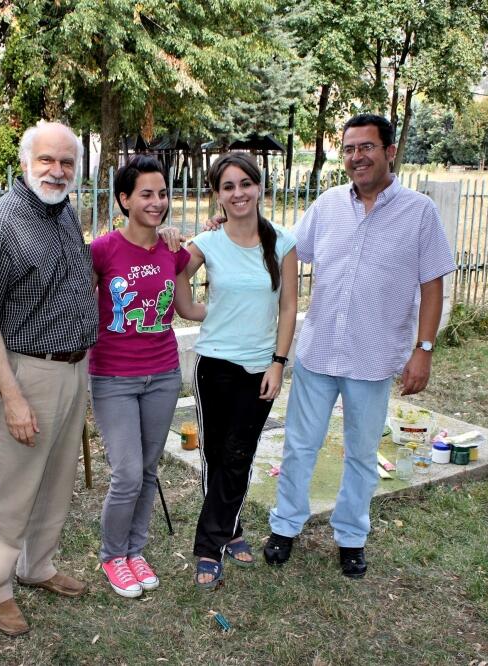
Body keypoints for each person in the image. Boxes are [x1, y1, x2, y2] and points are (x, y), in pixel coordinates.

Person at [263, 114, 456, 578]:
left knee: (362, 454)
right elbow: (288, 248)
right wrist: (234, 222)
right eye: (349, 149)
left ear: (390, 152)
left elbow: (433, 285)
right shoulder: (328, 204)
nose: (356, 157)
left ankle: (351, 537)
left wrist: (423, 349)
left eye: (366, 147)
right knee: (299, 446)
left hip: (373, 355)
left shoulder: (419, 212)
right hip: (319, 349)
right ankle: (285, 526)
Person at [0, 121, 97, 636]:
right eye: (47, 160)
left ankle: (36, 566)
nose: (57, 170)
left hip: (73, 366)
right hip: (28, 370)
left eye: (66, 162)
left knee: (56, 477)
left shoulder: (66, 213)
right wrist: (13, 397)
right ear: (25, 162)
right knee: (13, 486)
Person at [90, 154, 206, 598]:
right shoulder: (101, 251)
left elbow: (187, 304)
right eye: (146, 194)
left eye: (162, 194)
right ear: (124, 199)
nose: (157, 202)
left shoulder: (172, 251)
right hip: (113, 378)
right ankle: (112, 556)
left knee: (148, 469)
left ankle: (135, 550)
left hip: (162, 374)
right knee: (127, 474)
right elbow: (77, 303)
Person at [184, 152, 298, 590]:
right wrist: (191, 308)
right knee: (218, 455)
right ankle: (227, 530)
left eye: (245, 184)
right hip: (214, 366)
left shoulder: (282, 243)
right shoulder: (208, 243)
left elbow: (288, 307)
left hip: (260, 368)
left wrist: (279, 362)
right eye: (228, 186)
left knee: (239, 455)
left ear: (259, 188)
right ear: (218, 195)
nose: (238, 193)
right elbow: (174, 273)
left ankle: (209, 547)